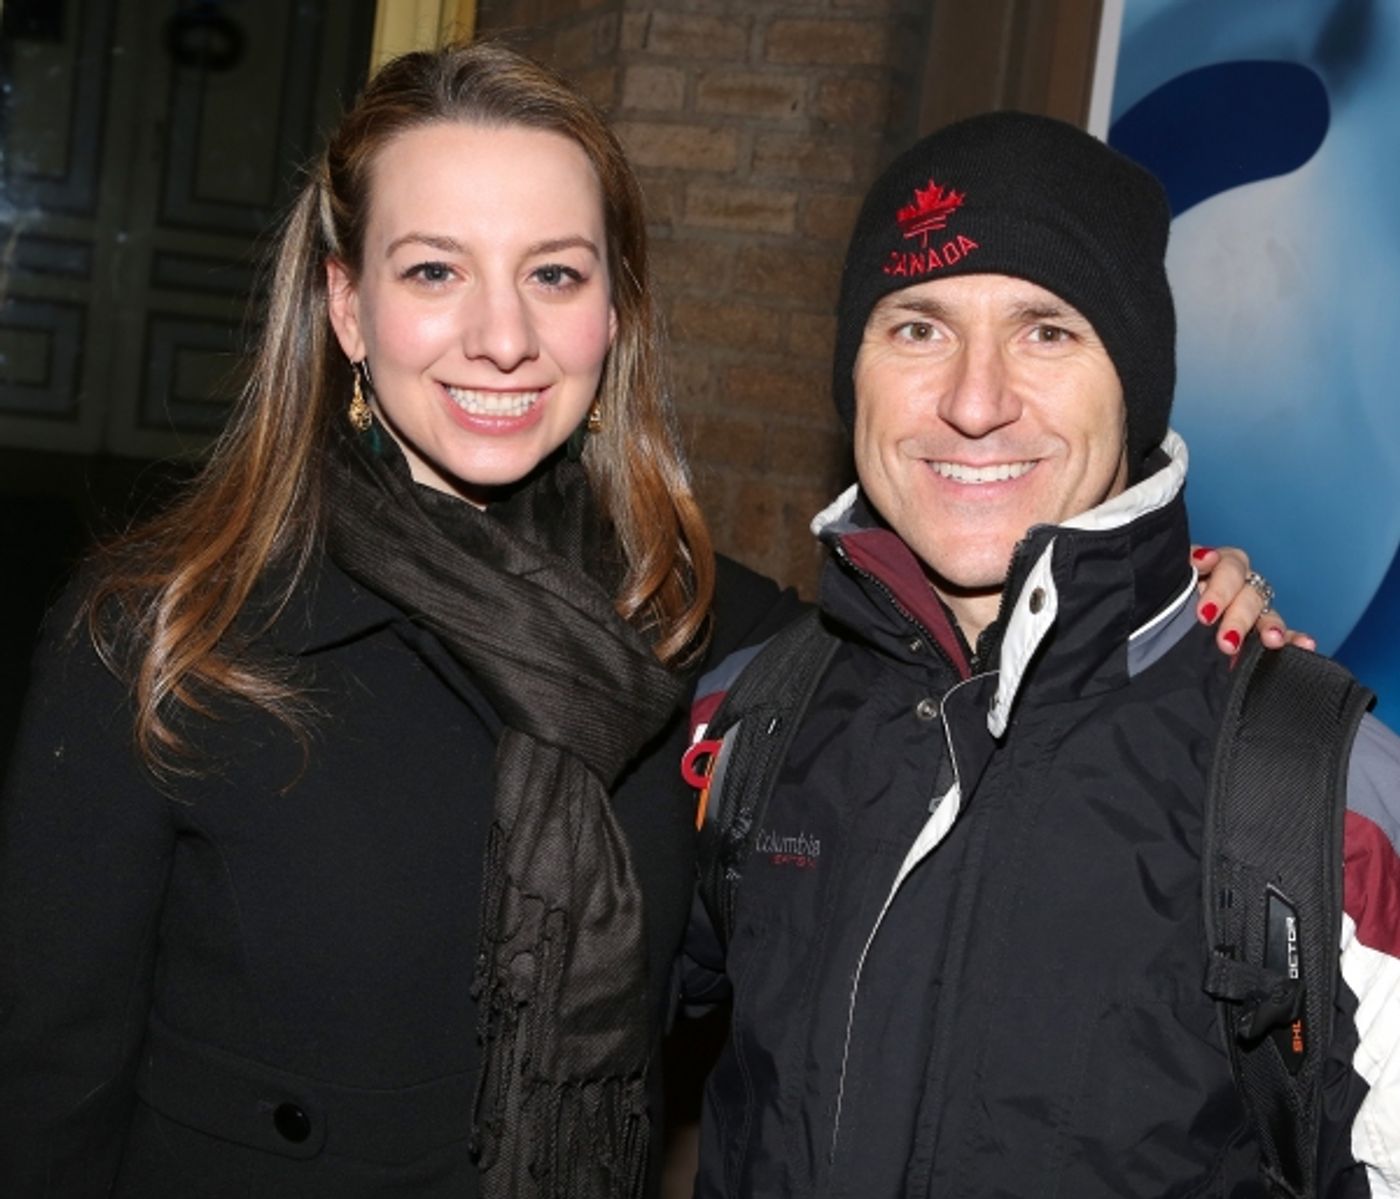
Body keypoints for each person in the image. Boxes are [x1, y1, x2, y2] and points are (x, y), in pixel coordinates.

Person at [0, 44, 1283, 1199]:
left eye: (553, 274)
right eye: (434, 270)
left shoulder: (708, 631)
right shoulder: (168, 631)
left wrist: (1174, 599)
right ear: (346, 305)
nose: (502, 337)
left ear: (611, 312)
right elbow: (41, 1105)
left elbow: (963, 644)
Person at [686, 112, 1400, 1196]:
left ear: (1134, 385)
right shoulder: (741, 726)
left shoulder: (1324, 802)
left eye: (1047, 331)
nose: (974, 403)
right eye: (917, 327)